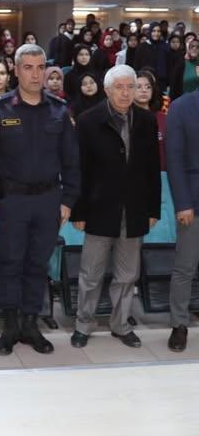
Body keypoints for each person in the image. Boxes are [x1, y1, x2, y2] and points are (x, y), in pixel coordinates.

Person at [0, 44, 79, 356]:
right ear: (16, 70)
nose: (35, 74)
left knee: (37, 263)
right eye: (28, 67)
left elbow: (72, 161)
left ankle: (31, 323)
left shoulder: (59, 111)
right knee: (10, 263)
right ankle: (10, 325)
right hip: (11, 201)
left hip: (49, 200)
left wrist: (68, 199)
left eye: (40, 67)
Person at [70, 65, 160, 349]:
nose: (125, 92)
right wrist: (79, 211)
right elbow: (80, 170)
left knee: (127, 274)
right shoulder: (87, 121)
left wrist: (153, 209)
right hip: (98, 209)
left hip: (134, 210)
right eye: (119, 87)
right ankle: (84, 324)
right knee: (91, 273)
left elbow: (152, 169)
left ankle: (120, 325)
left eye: (130, 87)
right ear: (107, 90)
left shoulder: (146, 121)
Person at [165, 87, 199, 352]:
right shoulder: (181, 106)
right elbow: (174, 159)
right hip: (193, 201)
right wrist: (183, 203)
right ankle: (179, 324)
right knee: (185, 267)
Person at [134, 69, 167, 170]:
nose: (144, 90)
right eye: (138, 87)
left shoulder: (163, 118)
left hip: (161, 175)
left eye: (148, 87)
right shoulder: (123, 118)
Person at [134, 21, 169, 93]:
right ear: (150, 32)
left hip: (161, 82)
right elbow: (137, 64)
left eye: (158, 31)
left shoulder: (165, 46)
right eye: (153, 31)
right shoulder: (142, 46)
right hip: (146, 80)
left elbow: (169, 64)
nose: (156, 33)